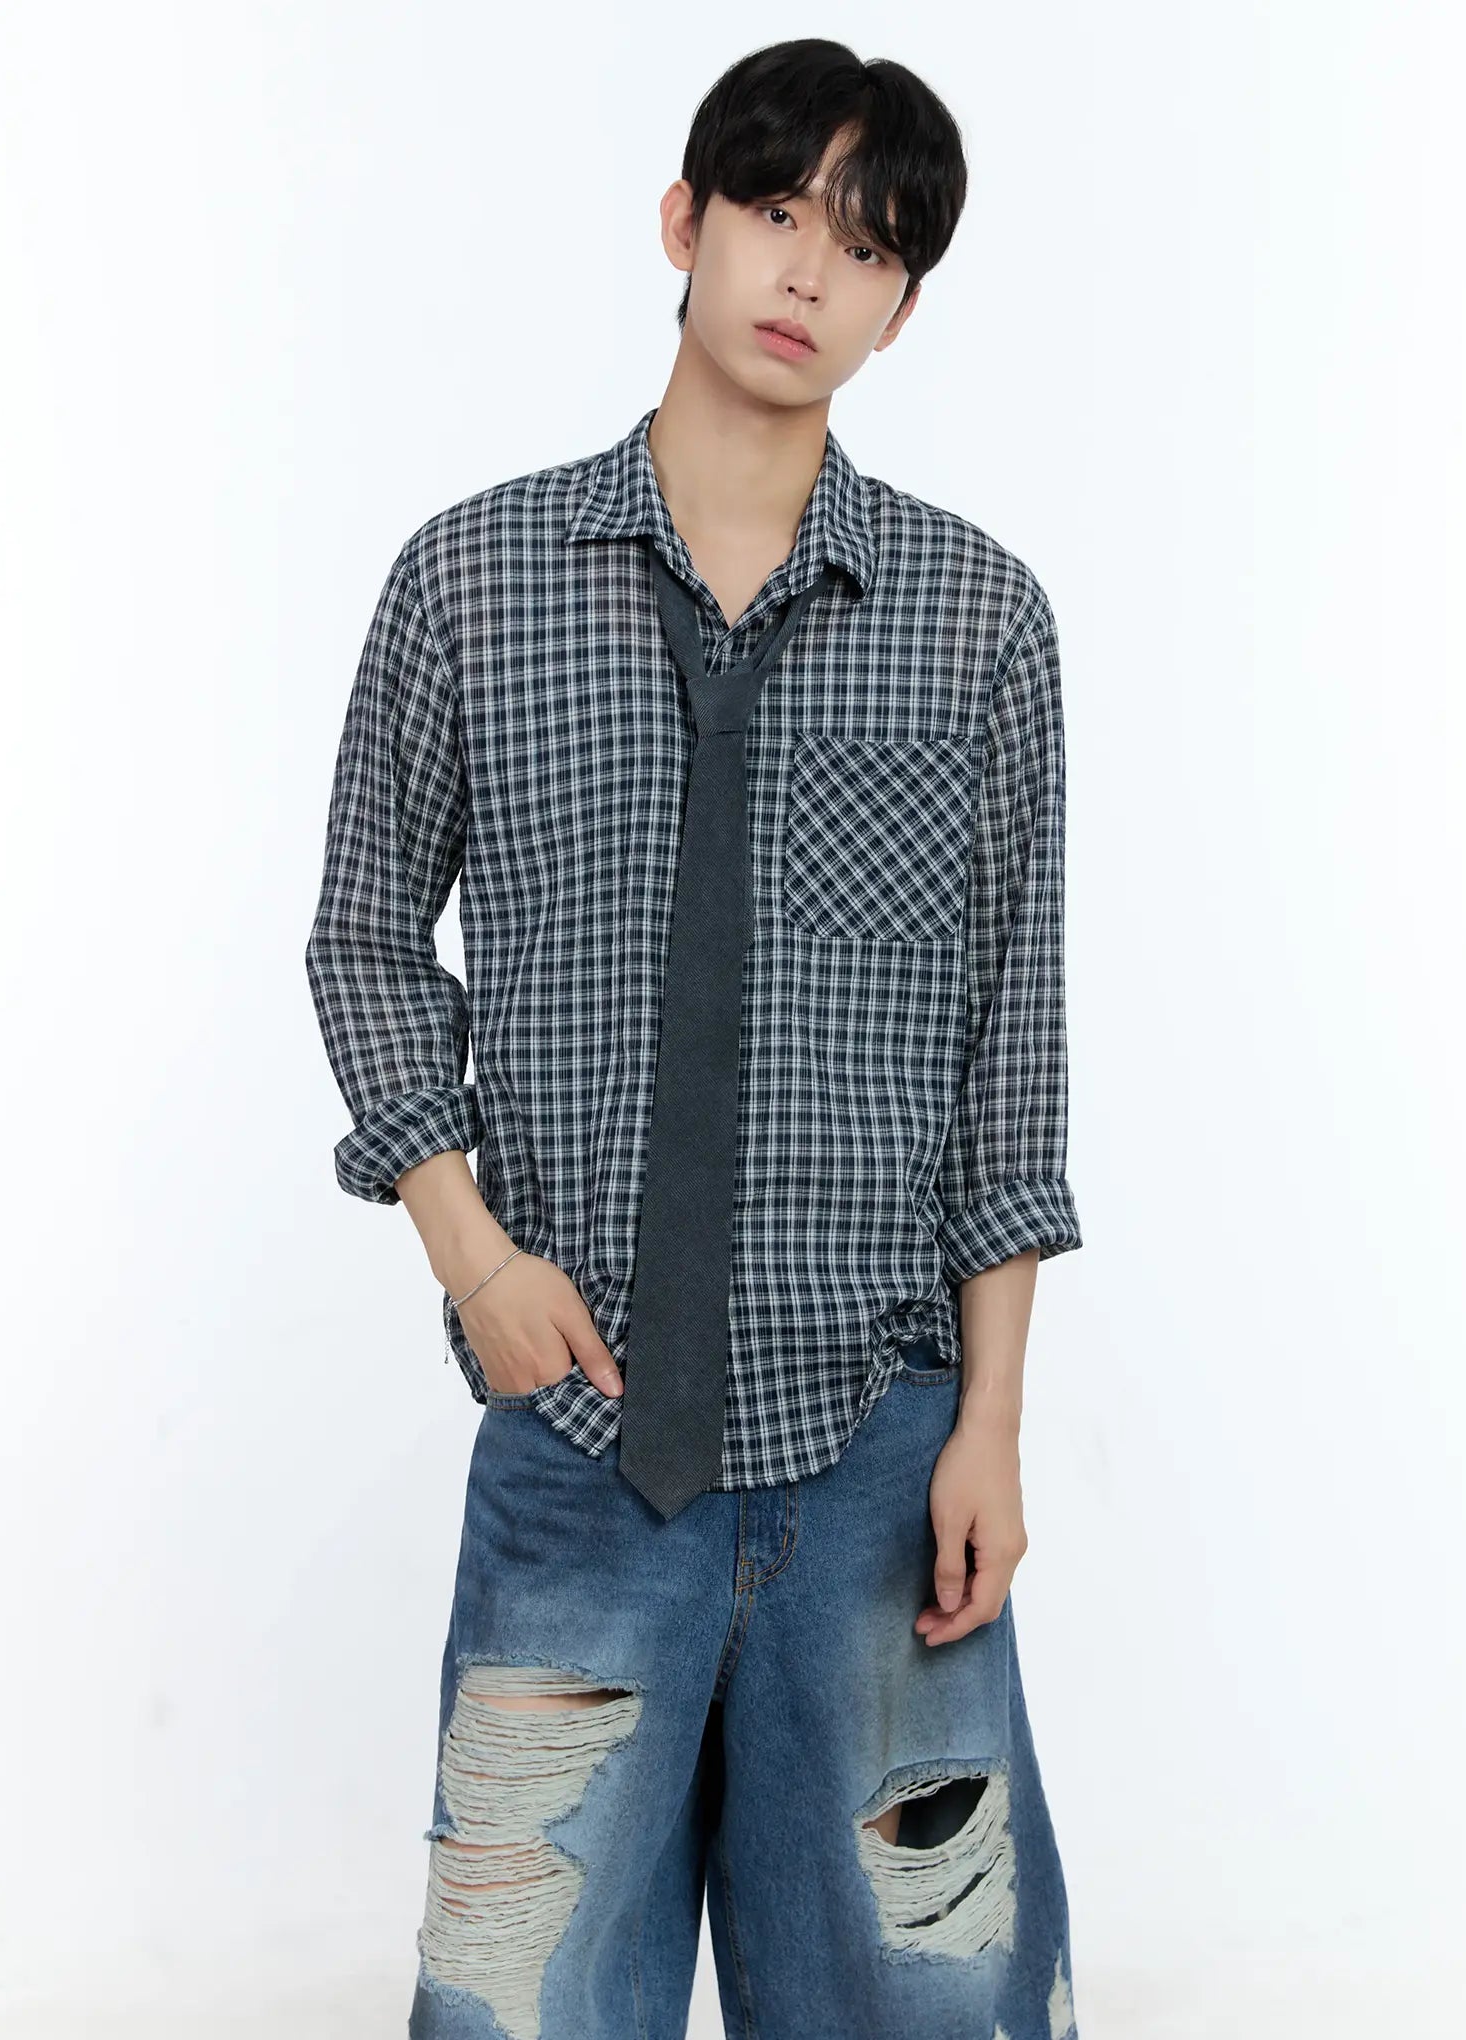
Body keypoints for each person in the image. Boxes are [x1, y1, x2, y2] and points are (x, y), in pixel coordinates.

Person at [305, 35, 1083, 2040]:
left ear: (906, 308)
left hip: (886, 1452)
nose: (810, 270)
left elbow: (1012, 1046)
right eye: (775, 209)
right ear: (684, 221)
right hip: (582, 1445)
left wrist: (992, 1423)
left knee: (936, 2003)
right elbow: (366, 938)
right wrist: (472, 1259)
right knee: (525, 2002)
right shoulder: (472, 581)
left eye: (870, 245)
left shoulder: (979, 622)